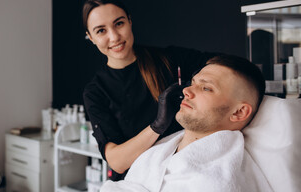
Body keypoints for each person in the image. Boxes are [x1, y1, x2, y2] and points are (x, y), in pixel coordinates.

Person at [82, 0, 218, 180]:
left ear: (130, 21)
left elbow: (222, 64)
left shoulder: (170, 59)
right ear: (90, 38)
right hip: (137, 182)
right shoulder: (96, 92)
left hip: (181, 175)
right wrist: (157, 126)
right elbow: (117, 162)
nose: (114, 37)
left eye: (119, 23)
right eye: (101, 31)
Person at [100, 54, 272, 192]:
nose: (186, 90)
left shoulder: (217, 183)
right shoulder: (160, 151)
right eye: (193, 83)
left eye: (206, 88)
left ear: (239, 112)